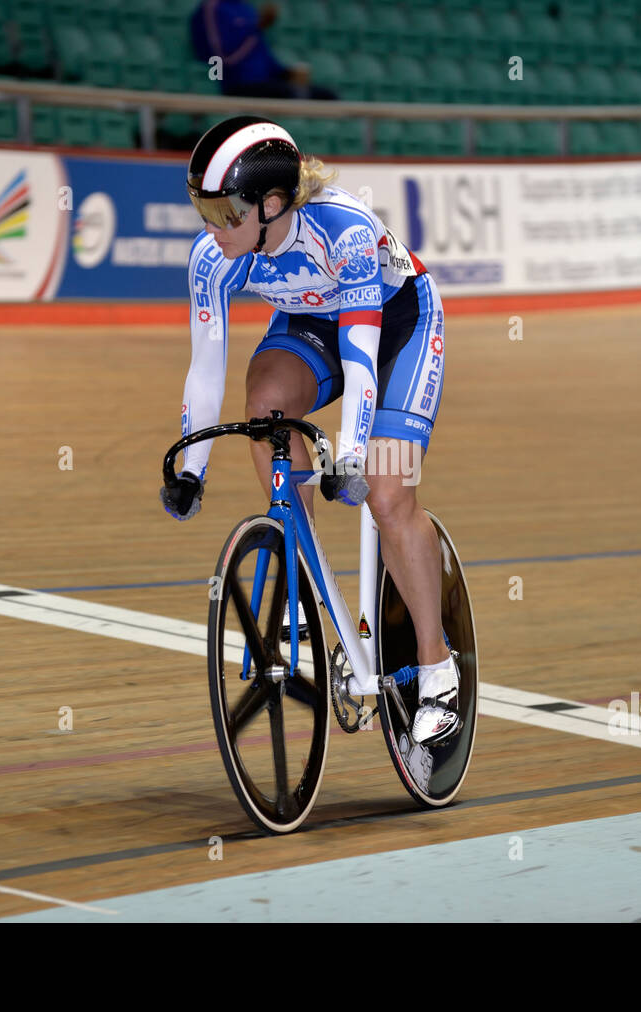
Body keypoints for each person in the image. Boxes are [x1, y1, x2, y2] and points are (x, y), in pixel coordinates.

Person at [161, 116, 458, 745]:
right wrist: (192, 471)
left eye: (225, 214)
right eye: (203, 212)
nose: (211, 230)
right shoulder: (214, 258)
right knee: (264, 404)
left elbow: (361, 352)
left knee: (386, 488)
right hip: (313, 324)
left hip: (395, 325)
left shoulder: (342, 232)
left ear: (272, 205)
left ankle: (437, 670)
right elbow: (205, 367)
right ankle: (299, 587)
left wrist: (351, 455)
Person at [189, 1, 336, 101]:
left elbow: (262, 54)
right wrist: (257, 26)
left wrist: (287, 73)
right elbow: (221, 56)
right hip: (236, 84)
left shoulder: (246, 8)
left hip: (265, 83)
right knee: (294, 94)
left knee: (326, 96)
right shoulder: (213, 8)